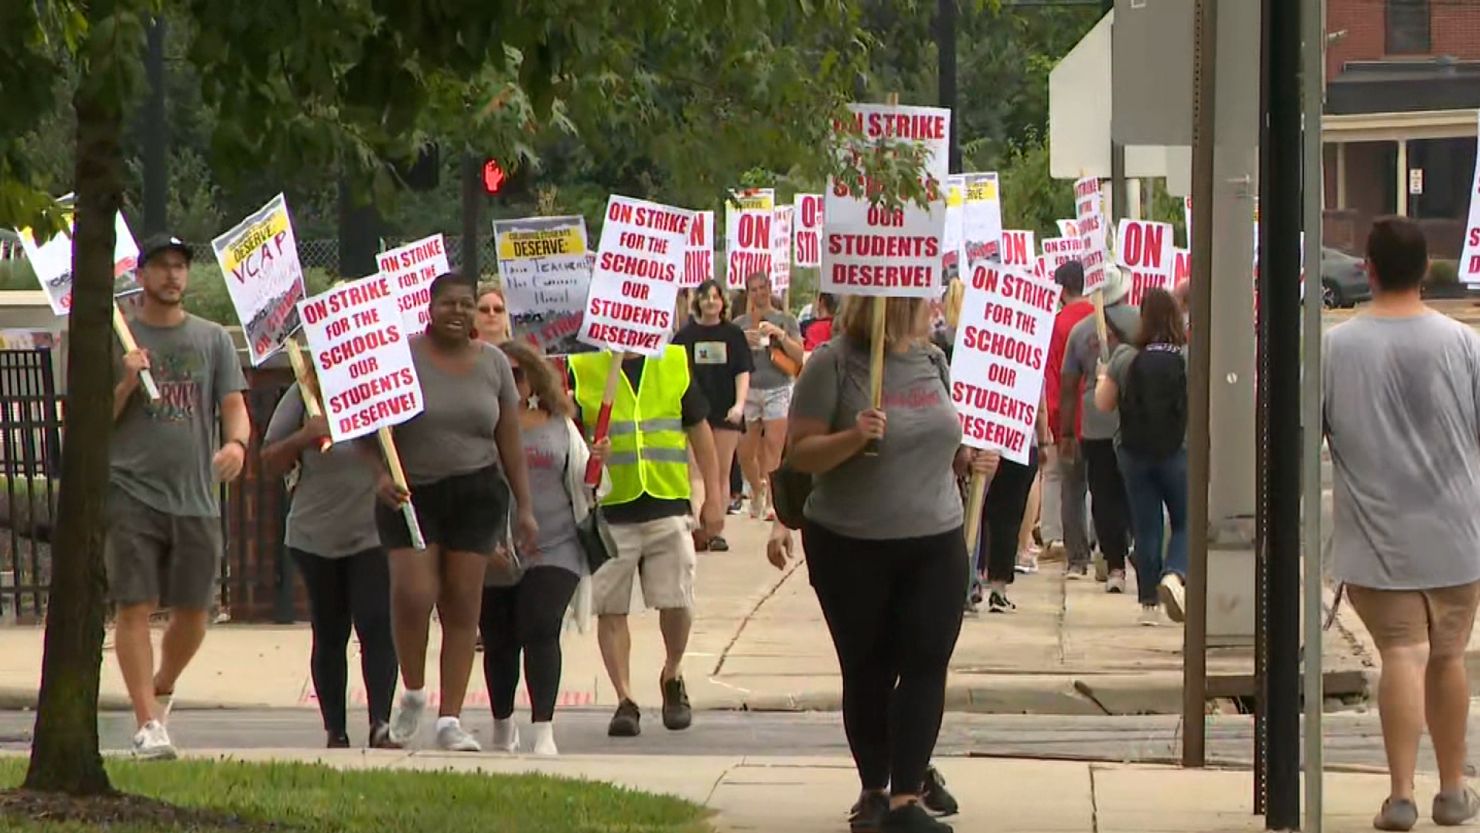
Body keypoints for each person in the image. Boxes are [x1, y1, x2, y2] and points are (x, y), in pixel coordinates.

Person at [788, 294, 998, 833]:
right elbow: (801, 453)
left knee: (927, 661)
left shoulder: (933, 361)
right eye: (918, 296)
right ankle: (874, 789)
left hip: (936, 539)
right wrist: (856, 436)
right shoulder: (830, 364)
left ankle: (908, 798)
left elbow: (940, 441)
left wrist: (970, 459)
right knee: (869, 668)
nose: (930, 303)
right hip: (849, 542)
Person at [1324, 218, 1480, 830]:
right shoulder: (1464, 344)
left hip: (1377, 537)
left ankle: (1399, 795)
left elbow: (1308, 431)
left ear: (1368, 267)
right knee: (1447, 657)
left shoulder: (1337, 348)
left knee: (1402, 654)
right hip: (1457, 535)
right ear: (1425, 269)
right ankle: (1453, 788)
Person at [372, 272, 538, 752]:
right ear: (429, 306)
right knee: (414, 594)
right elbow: (364, 428)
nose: (460, 312)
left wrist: (524, 507)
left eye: (467, 304)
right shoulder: (399, 357)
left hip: (477, 491)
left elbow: (509, 437)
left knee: (464, 604)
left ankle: (451, 718)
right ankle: (415, 691)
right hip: (410, 493)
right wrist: (379, 473)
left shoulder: (494, 365)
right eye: (449, 304)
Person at [108, 234, 250, 760]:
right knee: (135, 604)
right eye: (161, 266)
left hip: (195, 495)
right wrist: (125, 381)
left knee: (194, 612)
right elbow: (86, 423)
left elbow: (233, 405)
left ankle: (162, 686)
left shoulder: (211, 339)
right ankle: (147, 722)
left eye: (180, 266)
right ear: (141, 275)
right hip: (129, 488)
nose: (172, 275)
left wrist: (237, 444)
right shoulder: (116, 336)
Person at [568, 345, 725, 738]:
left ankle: (672, 673)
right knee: (612, 607)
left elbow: (699, 428)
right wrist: (589, 447)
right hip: (611, 506)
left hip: (666, 502)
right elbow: (566, 430)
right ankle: (625, 700)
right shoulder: (583, 368)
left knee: (677, 599)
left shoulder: (672, 362)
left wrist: (715, 494)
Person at [479, 341, 608, 757]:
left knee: (539, 624)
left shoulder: (561, 423)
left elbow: (587, 485)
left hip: (558, 545)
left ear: (534, 376)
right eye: (503, 373)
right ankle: (502, 725)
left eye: (518, 373)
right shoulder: (482, 424)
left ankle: (544, 730)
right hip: (496, 547)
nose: (511, 381)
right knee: (499, 637)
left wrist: (596, 467)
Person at [262, 377, 398, 749]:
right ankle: (335, 729)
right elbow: (271, 459)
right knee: (330, 630)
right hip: (315, 534)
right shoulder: (302, 393)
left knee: (375, 622)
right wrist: (304, 436)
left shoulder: (385, 384)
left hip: (372, 530)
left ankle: (381, 724)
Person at [1094, 287, 1188, 627]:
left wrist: (1102, 377)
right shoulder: (1188, 355)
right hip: (1178, 451)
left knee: (1146, 524)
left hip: (1133, 453)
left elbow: (1103, 405)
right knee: (1186, 520)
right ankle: (1174, 573)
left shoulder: (1124, 357)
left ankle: (1148, 601)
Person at [1059, 266, 1138, 593]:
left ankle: (1115, 565)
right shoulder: (1140, 321)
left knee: (1103, 494)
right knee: (1135, 491)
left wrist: (1066, 432)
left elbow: (1068, 386)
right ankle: (1140, 552)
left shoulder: (1080, 331)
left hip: (1095, 422)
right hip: (1133, 418)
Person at [672, 279, 752, 551]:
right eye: (705, 297)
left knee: (720, 471)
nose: (710, 302)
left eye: (716, 297)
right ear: (698, 302)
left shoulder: (733, 335)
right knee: (697, 471)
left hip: (725, 410)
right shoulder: (683, 337)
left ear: (723, 302)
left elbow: (743, 372)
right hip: (694, 413)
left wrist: (740, 405)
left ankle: (715, 529)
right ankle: (698, 526)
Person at [734, 271, 802, 520]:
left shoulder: (786, 319)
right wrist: (741, 340)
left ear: (770, 288)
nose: (760, 293)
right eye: (754, 289)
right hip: (748, 389)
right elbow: (728, 357)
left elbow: (798, 355)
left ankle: (774, 503)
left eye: (763, 288)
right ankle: (757, 487)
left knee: (774, 447)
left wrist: (780, 335)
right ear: (748, 293)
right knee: (745, 451)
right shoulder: (739, 323)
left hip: (778, 386)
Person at [1044, 262, 1094, 574]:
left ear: (1061, 289)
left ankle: (1078, 557)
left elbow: (1054, 379)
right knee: (1102, 489)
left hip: (1070, 423)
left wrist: (1054, 424)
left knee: (1072, 490)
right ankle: (1107, 550)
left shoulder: (1058, 325)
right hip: (1103, 419)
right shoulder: (1099, 320)